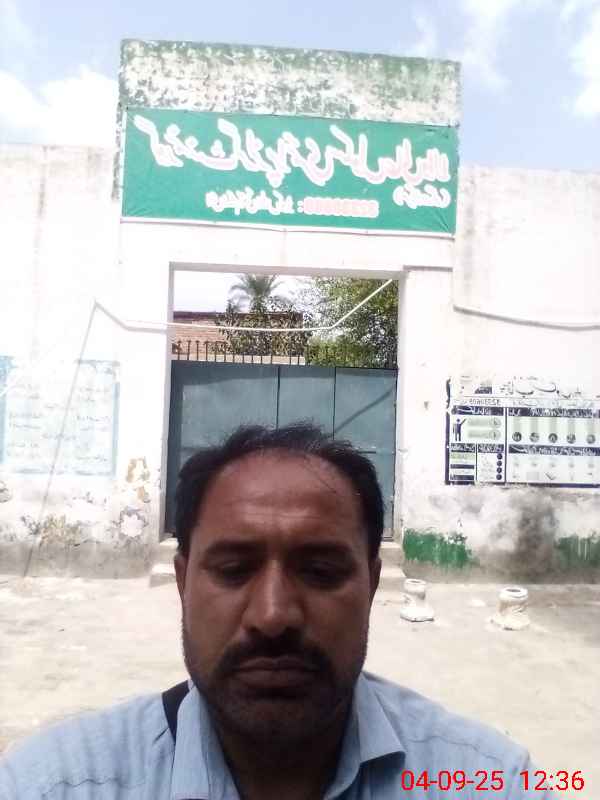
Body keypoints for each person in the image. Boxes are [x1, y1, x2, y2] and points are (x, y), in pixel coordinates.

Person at [0, 423, 554, 799]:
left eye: (321, 571)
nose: (273, 615)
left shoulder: (489, 780)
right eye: (233, 569)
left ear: (371, 584)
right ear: (183, 582)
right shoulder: (52, 784)